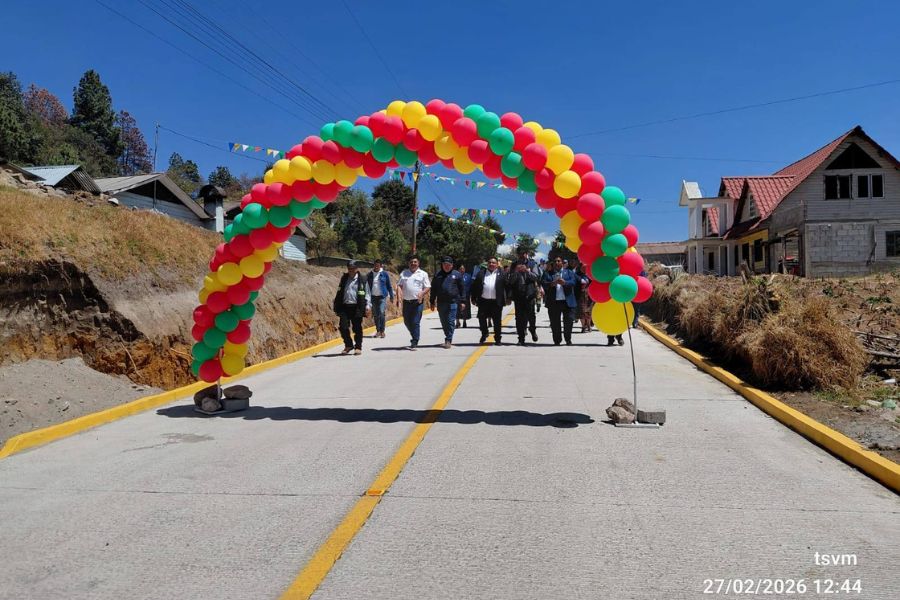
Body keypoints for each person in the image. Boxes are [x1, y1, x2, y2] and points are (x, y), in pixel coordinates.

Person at [333, 261, 371, 355]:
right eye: (349, 268)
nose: (351, 270)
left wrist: (368, 305)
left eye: (353, 268)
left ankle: (358, 347)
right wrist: (336, 303)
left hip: (357, 307)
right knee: (343, 327)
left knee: (357, 328)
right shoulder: (344, 278)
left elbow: (367, 293)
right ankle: (348, 345)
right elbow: (340, 291)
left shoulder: (362, 279)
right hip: (345, 306)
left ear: (357, 269)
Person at [396, 255, 431, 350]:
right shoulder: (404, 273)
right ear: (408, 263)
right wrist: (399, 297)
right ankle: (414, 334)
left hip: (417, 302)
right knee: (407, 321)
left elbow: (428, 286)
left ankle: (415, 341)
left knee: (415, 322)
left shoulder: (423, 274)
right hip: (406, 302)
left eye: (415, 262)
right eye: (411, 262)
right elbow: (399, 285)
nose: (413, 263)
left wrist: (422, 293)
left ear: (418, 263)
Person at [430, 256, 465, 349]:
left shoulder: (457, 275)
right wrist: (432, 301)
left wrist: (463, 301)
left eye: (449, 265)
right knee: (444, 321)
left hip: (453, 302)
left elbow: (462, 289)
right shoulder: (437, 275)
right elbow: (433, 289)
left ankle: (448, 339)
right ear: (442, 265)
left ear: (452, 265)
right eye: (445, 264)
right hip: (441, 302)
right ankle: (448, 335)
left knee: (450, 321)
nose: (447, 266)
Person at [540, 256, 577, 345]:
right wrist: (552, 284)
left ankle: (568, 339)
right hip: (554, 302)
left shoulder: (569, 272)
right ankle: (557, 340)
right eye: (555, 261)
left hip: (567, 301)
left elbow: (573, 282)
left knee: (569, 321)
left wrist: (565, 283)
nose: (557, 262)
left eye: (559, 261)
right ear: (553, 263)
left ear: (562, 263)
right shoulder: (548, 273)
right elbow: (543, 283)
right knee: (555, 323)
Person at [470, 256, 506, 345]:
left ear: (497, 264)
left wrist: (508, 298)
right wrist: (473, 298)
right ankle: (484, 333)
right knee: (481, 318)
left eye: (493, 263)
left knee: (497, 321)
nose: (491, 264)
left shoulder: (502, 274)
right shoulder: (481, 273)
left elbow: (507, 286)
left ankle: (497, 338)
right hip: (483, 301)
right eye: (489, 262)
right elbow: (475, 286)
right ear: (487, 264)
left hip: (496, 302)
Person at [508, 261, 539, 345]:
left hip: (530, 297)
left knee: (531, 316)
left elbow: (536, 278)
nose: (521, 267)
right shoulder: (514, 271)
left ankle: (532, 330)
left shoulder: (530, 268)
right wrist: (516, 272)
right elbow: (511, 282)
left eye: (523, 266)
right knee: (519, 318)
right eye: (520, 266)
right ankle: (521, 338)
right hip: (518, 298)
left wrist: (527, 271)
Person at [366, 259, 394, 338]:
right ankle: (378, 331)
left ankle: (382, 331)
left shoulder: (384, 274)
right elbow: (367, 287)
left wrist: (391, 295)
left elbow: (389, 285)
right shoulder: (370, 274)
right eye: (375, 265)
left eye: (378, 265)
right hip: (373, 297)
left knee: (381, 312)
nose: (376, 267)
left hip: (382, 296)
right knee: (375, 314)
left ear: (380, 266)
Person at [573, 260, 593, 333]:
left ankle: (588, 325)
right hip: (580, 296)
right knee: (581, 312)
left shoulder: (590, 275)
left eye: (585, 267)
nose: (584, 269)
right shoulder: (577, 275)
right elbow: (576, 284)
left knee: (588, 312)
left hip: (589, 296)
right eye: (583, 267)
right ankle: (583, 326)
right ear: (580, 267)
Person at [455, 264, 473, 328]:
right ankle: (457, 322)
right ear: (458, 270)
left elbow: (471, 285)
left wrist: (471, 294)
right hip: (457, 295)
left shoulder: (468, 276)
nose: (462, 270)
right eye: (460, 269)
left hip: (466, 295)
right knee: (457, 309)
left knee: (465, 309)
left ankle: (464, 321)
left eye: (463, 268)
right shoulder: (455, 276)